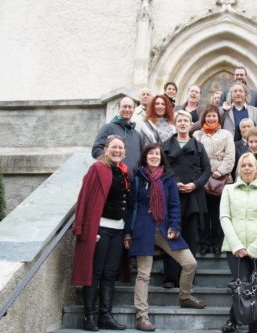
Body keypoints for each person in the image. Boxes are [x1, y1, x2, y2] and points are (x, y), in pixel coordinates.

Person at [124, 143, 206, 332]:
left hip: (164, 227)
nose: (154, 156)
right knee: (144, 273)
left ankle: (185, 297)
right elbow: (131, 207)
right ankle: (141, 316)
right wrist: (128, 232)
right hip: (142, 229)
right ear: (145, 157)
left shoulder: (168, 178)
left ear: (162, 158)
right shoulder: (137, 178)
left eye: (157, 154)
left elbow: (174, 206)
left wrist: (175, 226)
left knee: (189, 263)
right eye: (151, 154)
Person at [72, 135, 130, 331]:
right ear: (106, 149)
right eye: (114, 147)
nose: (117, 150)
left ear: (124, 151)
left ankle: (105, 315)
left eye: (121, 148)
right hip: (100, 229)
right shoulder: (97, 168)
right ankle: (89, 317)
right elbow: (85, 198)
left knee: (110, 273)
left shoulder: (123, 171)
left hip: (118, 229)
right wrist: (88, 229)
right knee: (94, 273)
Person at [220, 152, 257, 333]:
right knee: (241, 287)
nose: (246, 168)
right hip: (235, 249)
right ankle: (234, 319)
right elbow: (225, 217)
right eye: (243, 165)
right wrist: (237, 245)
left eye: (250, 165)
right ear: (238, 169)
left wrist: (255, 246)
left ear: (256, 169)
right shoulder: (228, 189)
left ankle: (254, 330)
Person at [161, 110, 211, 288]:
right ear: (175, 124)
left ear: (191, 124)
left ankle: (188, 279)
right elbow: (161, 168)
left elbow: (207, 170)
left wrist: (195, 185)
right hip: (171, 196)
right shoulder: (166, 145)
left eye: (186, 121)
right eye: (179, 120)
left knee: (191, 237)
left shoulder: (199, 146)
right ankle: (170, 277)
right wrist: (173, 183)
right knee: (171, 235)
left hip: (193, 197)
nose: (182, 123)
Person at [193, 105, 235, 256]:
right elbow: (194, 156)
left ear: (219, 118)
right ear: (204, 118)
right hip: (202, 180)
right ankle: (203, 243)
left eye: (214, 116)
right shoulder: (197, 135)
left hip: (221, 180)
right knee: (203, 213)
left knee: (218, 214)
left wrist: (219, 172)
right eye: (208, 116)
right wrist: (202, 175)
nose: (211, 119)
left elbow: (230, 156)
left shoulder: (226, 134)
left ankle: (217, 244)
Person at [92, 96, 142, 176]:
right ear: (119, 108)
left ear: (134, 110)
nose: (127, 109)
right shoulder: (108, 128)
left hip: (133, 182)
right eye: (124, 106)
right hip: (114, 180)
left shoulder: (137, 135)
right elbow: (96, 150)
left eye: (130, 107)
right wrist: (112, 167)